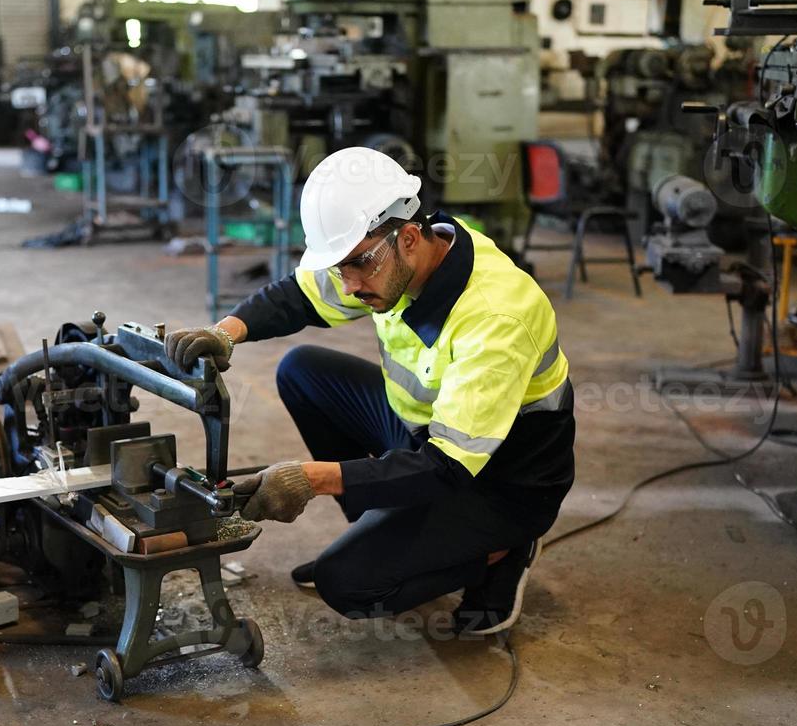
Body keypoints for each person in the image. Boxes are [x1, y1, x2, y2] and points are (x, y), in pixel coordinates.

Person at [165, 147, 575, 635]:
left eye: (358, 265)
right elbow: (300, 295)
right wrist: (225, 332)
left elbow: (446, 468)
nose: (350, 284)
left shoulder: (495, 317)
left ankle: (501, 552)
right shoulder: (393, 257)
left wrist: (311, 479)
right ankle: (382, 533)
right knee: (301, 371)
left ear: (407, 238)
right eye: (341, 267)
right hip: (425, 435)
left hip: (499, 479)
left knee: (349, 583)